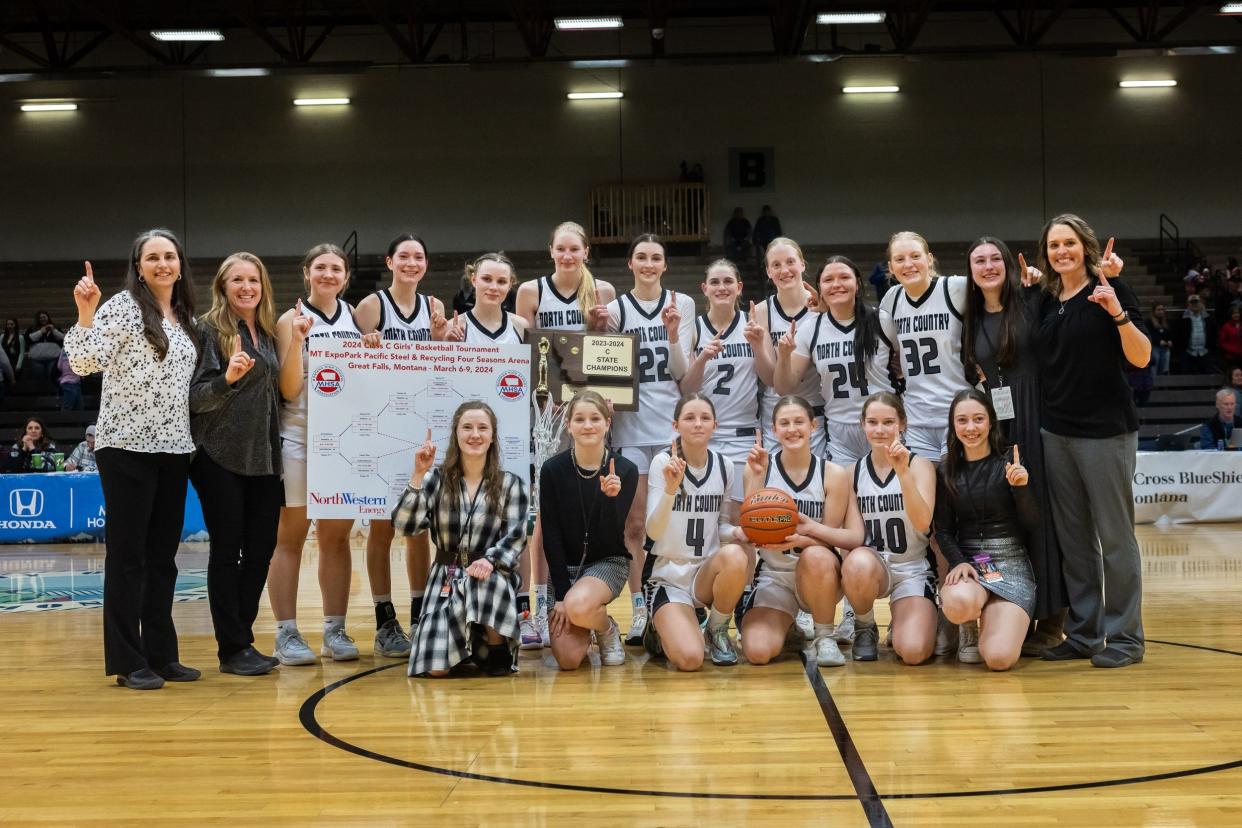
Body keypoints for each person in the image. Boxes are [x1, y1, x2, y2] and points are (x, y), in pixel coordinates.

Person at [65, 229, 201, 691]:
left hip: (174, 448)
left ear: (180, 264)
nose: (163, 264)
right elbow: (85, 364)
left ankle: (162, 655)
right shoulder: (123, 306)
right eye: (153, 257)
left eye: (169, 256)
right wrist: (85, 313)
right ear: (139, 266)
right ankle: (127, 658)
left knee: (163, 558)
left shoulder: (183, 315)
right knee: (128, 557)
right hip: (125, 447)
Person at [1034, 214, 1151, 668]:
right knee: (1075, 540)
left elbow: (1139, 358)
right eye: (1053, 245)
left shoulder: (1112, 288)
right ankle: (1084, 633)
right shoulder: (1046, 299)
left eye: (1069, 243)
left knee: (1116, 539)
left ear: (1086, 247)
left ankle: (1125, 639)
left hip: (1105, 432)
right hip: (1055, 431)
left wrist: (1117, 313)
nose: (1061, 251)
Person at [961, 236, 1067, 656]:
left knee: (1047, 516)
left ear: (1007, 264)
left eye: (994, 259)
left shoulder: (1031, 299)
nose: (987, 266)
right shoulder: (970, 317)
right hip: (1001, 422)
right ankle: (1023, 606)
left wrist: (1040, 285)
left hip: (1039, 413)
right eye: (978, 261)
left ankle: (1055, 616)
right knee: (1018, 514)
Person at [514, 221, 618, 649]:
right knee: (542, 518)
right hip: (544, 418)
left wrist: (595, 329)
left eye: (574, 249)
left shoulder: (605, 293)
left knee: (588, 510)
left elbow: (610, 361)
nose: (567, 255)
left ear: (586, 252)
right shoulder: (531, 292)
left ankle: (586, 599)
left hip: (586, 419)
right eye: (560, 249)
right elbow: (523, 352)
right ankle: (540, 602)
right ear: (551, 251)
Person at [267, 244, 369, 666]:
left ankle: (335, 629)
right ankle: (286, 633)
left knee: (336, 538)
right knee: (290, 538)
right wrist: (300, 341)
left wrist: (373, 350)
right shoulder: (290, 320)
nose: (329, 275)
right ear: (307, 273)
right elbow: (288, 390)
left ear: (346, 277)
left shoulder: (355, 319)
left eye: (337, 269)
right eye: (321, 268)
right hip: (299, 436)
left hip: (343, 443)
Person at [188, 252, 284, 677]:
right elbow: (194, 397)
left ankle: (240, 638)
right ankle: (232, 647)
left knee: (261, 550)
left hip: (263, 457)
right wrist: (227, 378)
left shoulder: (265, 332)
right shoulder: (208, 330)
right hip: (218, 455)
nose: (247, 287)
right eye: (237, 280)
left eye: (254, 280)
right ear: (222, 287)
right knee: (228, 552)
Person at [354, 233, 447, 659]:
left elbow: (439, 362)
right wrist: (365, 344)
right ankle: (383, 618)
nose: (411, 263)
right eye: (404, 256)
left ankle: (420, 612)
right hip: (380, 427)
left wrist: (446, 339)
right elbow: (352, 366)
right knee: (382, 527)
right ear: (390, 261)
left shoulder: (434, 308)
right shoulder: (372, 306)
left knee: (419, 529)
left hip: (420, 428)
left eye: (419, 257)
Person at [392, 402, 529, 677]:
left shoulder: (511, 484)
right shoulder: (435, 479)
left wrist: (490, 560)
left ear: (492, 436)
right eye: (467, 427)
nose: (474, 434)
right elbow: (405, 525)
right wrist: (418, 475)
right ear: (456, 434)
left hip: (490, 574)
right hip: (446, 575)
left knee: (485, 581)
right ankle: (467, 647)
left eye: (482, 428)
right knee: (436, 671)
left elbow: (516, 536)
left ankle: (496, 646)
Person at [605, 234, 696, 646]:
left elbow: (683, 371)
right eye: (641, 257)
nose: (648, 263)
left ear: (665, 265)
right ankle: (640, 606)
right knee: (636, 524)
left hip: (669, 429)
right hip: (628, 429)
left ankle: (681, 599)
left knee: (674, 520)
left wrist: (674, 334)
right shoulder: (615, 310)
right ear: (630, 264)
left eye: (655, 257)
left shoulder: (683, 303)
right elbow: (604, 370)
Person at [740, 396, 865, 668]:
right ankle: (789, 628)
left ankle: (824, 636)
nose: (792, 429)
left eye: (799, 422)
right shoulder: (759, 467)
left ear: (813, 425)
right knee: (758, 653)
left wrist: (797, 538)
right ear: (774, 429)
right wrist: (758, 476)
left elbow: (828, 539)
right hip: (776, 575)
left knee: (816, 555)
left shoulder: (832, 473)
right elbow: (750, 529)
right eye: (784, 423)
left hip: (819, 575)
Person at [642, 393, 750, 670]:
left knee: (736, 555)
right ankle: (657, 628)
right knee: (690, 659)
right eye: (689, 418)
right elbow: (652, 530)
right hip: (668, 575)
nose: (698, 424)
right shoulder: (662, 463)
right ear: (676, 425)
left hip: (704, 573)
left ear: (715, 425)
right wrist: (669, 489)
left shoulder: (724, 466)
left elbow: (720, 525)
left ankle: (716, 630)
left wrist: (737, 533)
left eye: (705, 418)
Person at [935, 390, 1039, 670]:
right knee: (958, 602)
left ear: (991, 422)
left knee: (999, 659)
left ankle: (1001, 618)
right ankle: (968, 626)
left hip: (1012, 563)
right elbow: (942, 530)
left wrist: (1022, 490)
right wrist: (958, 561)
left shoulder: (1010, 462)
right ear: (953, 425)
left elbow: (1032, 524)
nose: (971, 428)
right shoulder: (946, 470)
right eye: (962, 420)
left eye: (978, 419)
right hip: (971, 563)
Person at [539, 391, 638, 670]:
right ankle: (583, 613)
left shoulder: (626, 470)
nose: (588, 425)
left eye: (595, 418)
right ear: (568, 425)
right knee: (569, 661)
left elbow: (611, 536)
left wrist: (610, 500)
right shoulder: (552, 470)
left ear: (607, 423)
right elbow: (552, 534)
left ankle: (605, 629)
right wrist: (560, 594)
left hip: (606, 562)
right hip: (564, 569)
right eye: (579, 419)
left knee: (579, 605)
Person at [841, 393, 937, 665]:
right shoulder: (851, 473)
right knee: (857, 560)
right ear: (863, 425)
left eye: (888, 422)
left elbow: (922, 523)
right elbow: (854, 538)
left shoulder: (921, 466)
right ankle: (865, 626)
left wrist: (903, 473)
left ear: (902, 424)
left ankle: (908, 618)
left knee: (914, 652)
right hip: (873, 568)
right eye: (872, 422)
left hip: (912, 569)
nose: (880, 430)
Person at [776, 255, 893, 467]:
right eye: (828, 280)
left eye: (844, 277)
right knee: (844, 496)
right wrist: (783, 357)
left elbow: (902, 367)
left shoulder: (882, 320)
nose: (836, 284)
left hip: (882, 423)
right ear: (819, 288)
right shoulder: (811, 328)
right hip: (840, 431)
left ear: (857, 283)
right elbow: (785, 387)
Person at [681, 258, 767, 500]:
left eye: (728, 281)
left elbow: (770, 378)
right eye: (714, 282)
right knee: (706, 511)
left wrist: (759, 346)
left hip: (744, 435)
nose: (722, 287)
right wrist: (702, 359)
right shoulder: (695, 328)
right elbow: (686, 389)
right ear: (704, 289)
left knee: (742, 518)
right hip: (704, 434)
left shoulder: (752, 323)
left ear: (739, 287)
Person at [754, 237, 825, 456]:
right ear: (768, 271)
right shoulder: (761, 311)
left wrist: (826, 312)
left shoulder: (823, 307)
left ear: (802, 264)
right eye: (776, 265)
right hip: (776, 409)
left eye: (790, 262)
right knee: (776, 483)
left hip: (815, 408)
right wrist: (757, 345)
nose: (784, 270)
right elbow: (768, 379)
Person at [446, 253, 527, 345]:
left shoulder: (521, 326)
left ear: (510, 285)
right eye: (487, 279)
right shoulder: (451, 328)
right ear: (474, 280)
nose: (494, 287)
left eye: (501, 281)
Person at [1175, 294, 1215, 374]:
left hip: (1204, 351)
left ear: (1201, 303)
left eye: (1196, 302)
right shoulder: (1181, 319)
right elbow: (1177, 335)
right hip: (1188, 352)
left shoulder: (1209, 318)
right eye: (1192, 303)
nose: (1195, 305)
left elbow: (1213, 333)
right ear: (1188, 304)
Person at [26, 311, 64, 385]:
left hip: (53, 358)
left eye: (44, 317)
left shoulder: (55, 327)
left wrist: (54, 330)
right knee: (38, 378)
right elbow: (28, 339)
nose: (42, 319)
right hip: (36, 359)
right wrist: (40, 332)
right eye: (40, 318)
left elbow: (63, 338)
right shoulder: (32, 328)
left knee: (52, 376)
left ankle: (52, 393)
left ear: (48, 317)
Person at [1148, 303, 1173, 377]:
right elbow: (1149, 334)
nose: (1161, 311)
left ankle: (1163, 386)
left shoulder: (1166, 321)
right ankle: (1154, 385)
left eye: (1162, 309)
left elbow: (1170, 333)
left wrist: (1169, 340)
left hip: (1165, 347)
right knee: (1154, 366)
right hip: (1154, 347)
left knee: (1164, 367)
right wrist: (1158, 341)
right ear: (1154, 311)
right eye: (1158, 310)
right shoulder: (1149, 321)